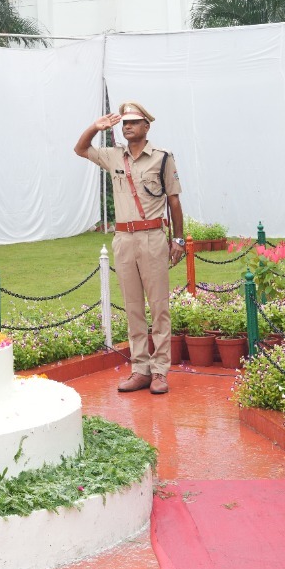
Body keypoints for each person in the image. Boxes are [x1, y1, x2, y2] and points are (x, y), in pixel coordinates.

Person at [73, 102, 185, 396]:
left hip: (152, 237)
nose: (127, 127)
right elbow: (80, 149)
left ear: (147, 126)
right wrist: (95, 127)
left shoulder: (162, 158)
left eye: (134, 122)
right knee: (133, 307)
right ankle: (140, 369)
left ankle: (160, 371)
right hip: (123, 240)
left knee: (159, 307)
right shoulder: (113, 156)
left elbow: (173, 201)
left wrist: (179, 239)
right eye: (124, 123)